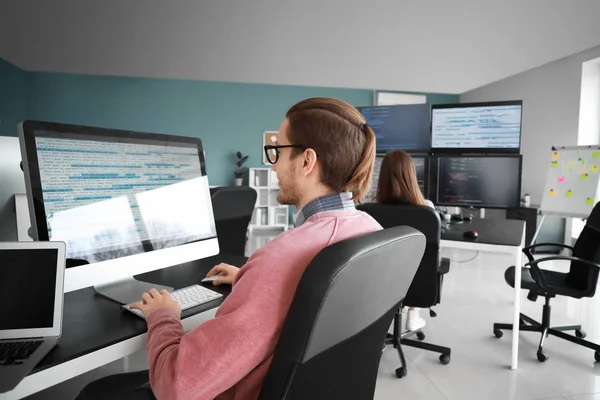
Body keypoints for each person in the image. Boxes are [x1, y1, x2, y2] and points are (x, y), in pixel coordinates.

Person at [76, 97, 382, 400]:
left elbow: (176, 387)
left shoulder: (280, 260)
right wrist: (253, 280)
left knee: (94, 392)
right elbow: (320, 301)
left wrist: (164, 316)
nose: (273, 165)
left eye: (277, 151)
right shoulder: (369, 230)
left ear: (307, 161)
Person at [376, 150, 434, 331]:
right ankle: (413, 314)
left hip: (379, 285)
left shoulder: (369, 211)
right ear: (412, 176)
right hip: (418, 285)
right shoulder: (428, 211)